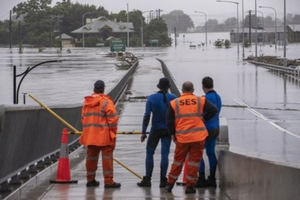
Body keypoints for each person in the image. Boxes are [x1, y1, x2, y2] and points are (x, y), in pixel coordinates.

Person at [164, 81, 217, 194]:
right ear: (193, 90)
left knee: (178, 161)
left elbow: (169, 121)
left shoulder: (174, 103)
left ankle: (170, 184)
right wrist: (204, 118)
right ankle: (190, 187)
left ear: (182, 90)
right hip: (198, 137)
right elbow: (213, 110)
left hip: (182, 137)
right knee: (194, 162)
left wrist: (173, 134)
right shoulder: (200, 100)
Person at [80, 80, 121, 188]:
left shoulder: (86, 102)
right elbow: (113, 120)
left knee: (91, 158)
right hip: (104, 136)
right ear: (103, 89)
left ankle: (90, 180)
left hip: (90, 136)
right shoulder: (106, 102)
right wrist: (112, 134)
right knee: (107, 159)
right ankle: (108, 182)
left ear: (94, 89)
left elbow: (83, 119)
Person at [137, 77, 177, 188]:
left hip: (155, 129)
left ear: (158, 87)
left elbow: (147, 115)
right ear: (168, 87)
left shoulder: (152, 98)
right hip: (168, 130)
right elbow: (176, 116)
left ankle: (148, 179)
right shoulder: (174, 98)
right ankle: (163, 180)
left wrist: (144, 132)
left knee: (150, 153)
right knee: (165, 154)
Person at [195, 76, 222, 188]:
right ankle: (212, 178)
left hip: (206, 128)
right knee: (211, 153)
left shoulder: (204, 99)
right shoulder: (218, 97)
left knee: (198, 152)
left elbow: (199, 113)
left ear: (203, 86)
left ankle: (201, 179)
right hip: (216, 127)